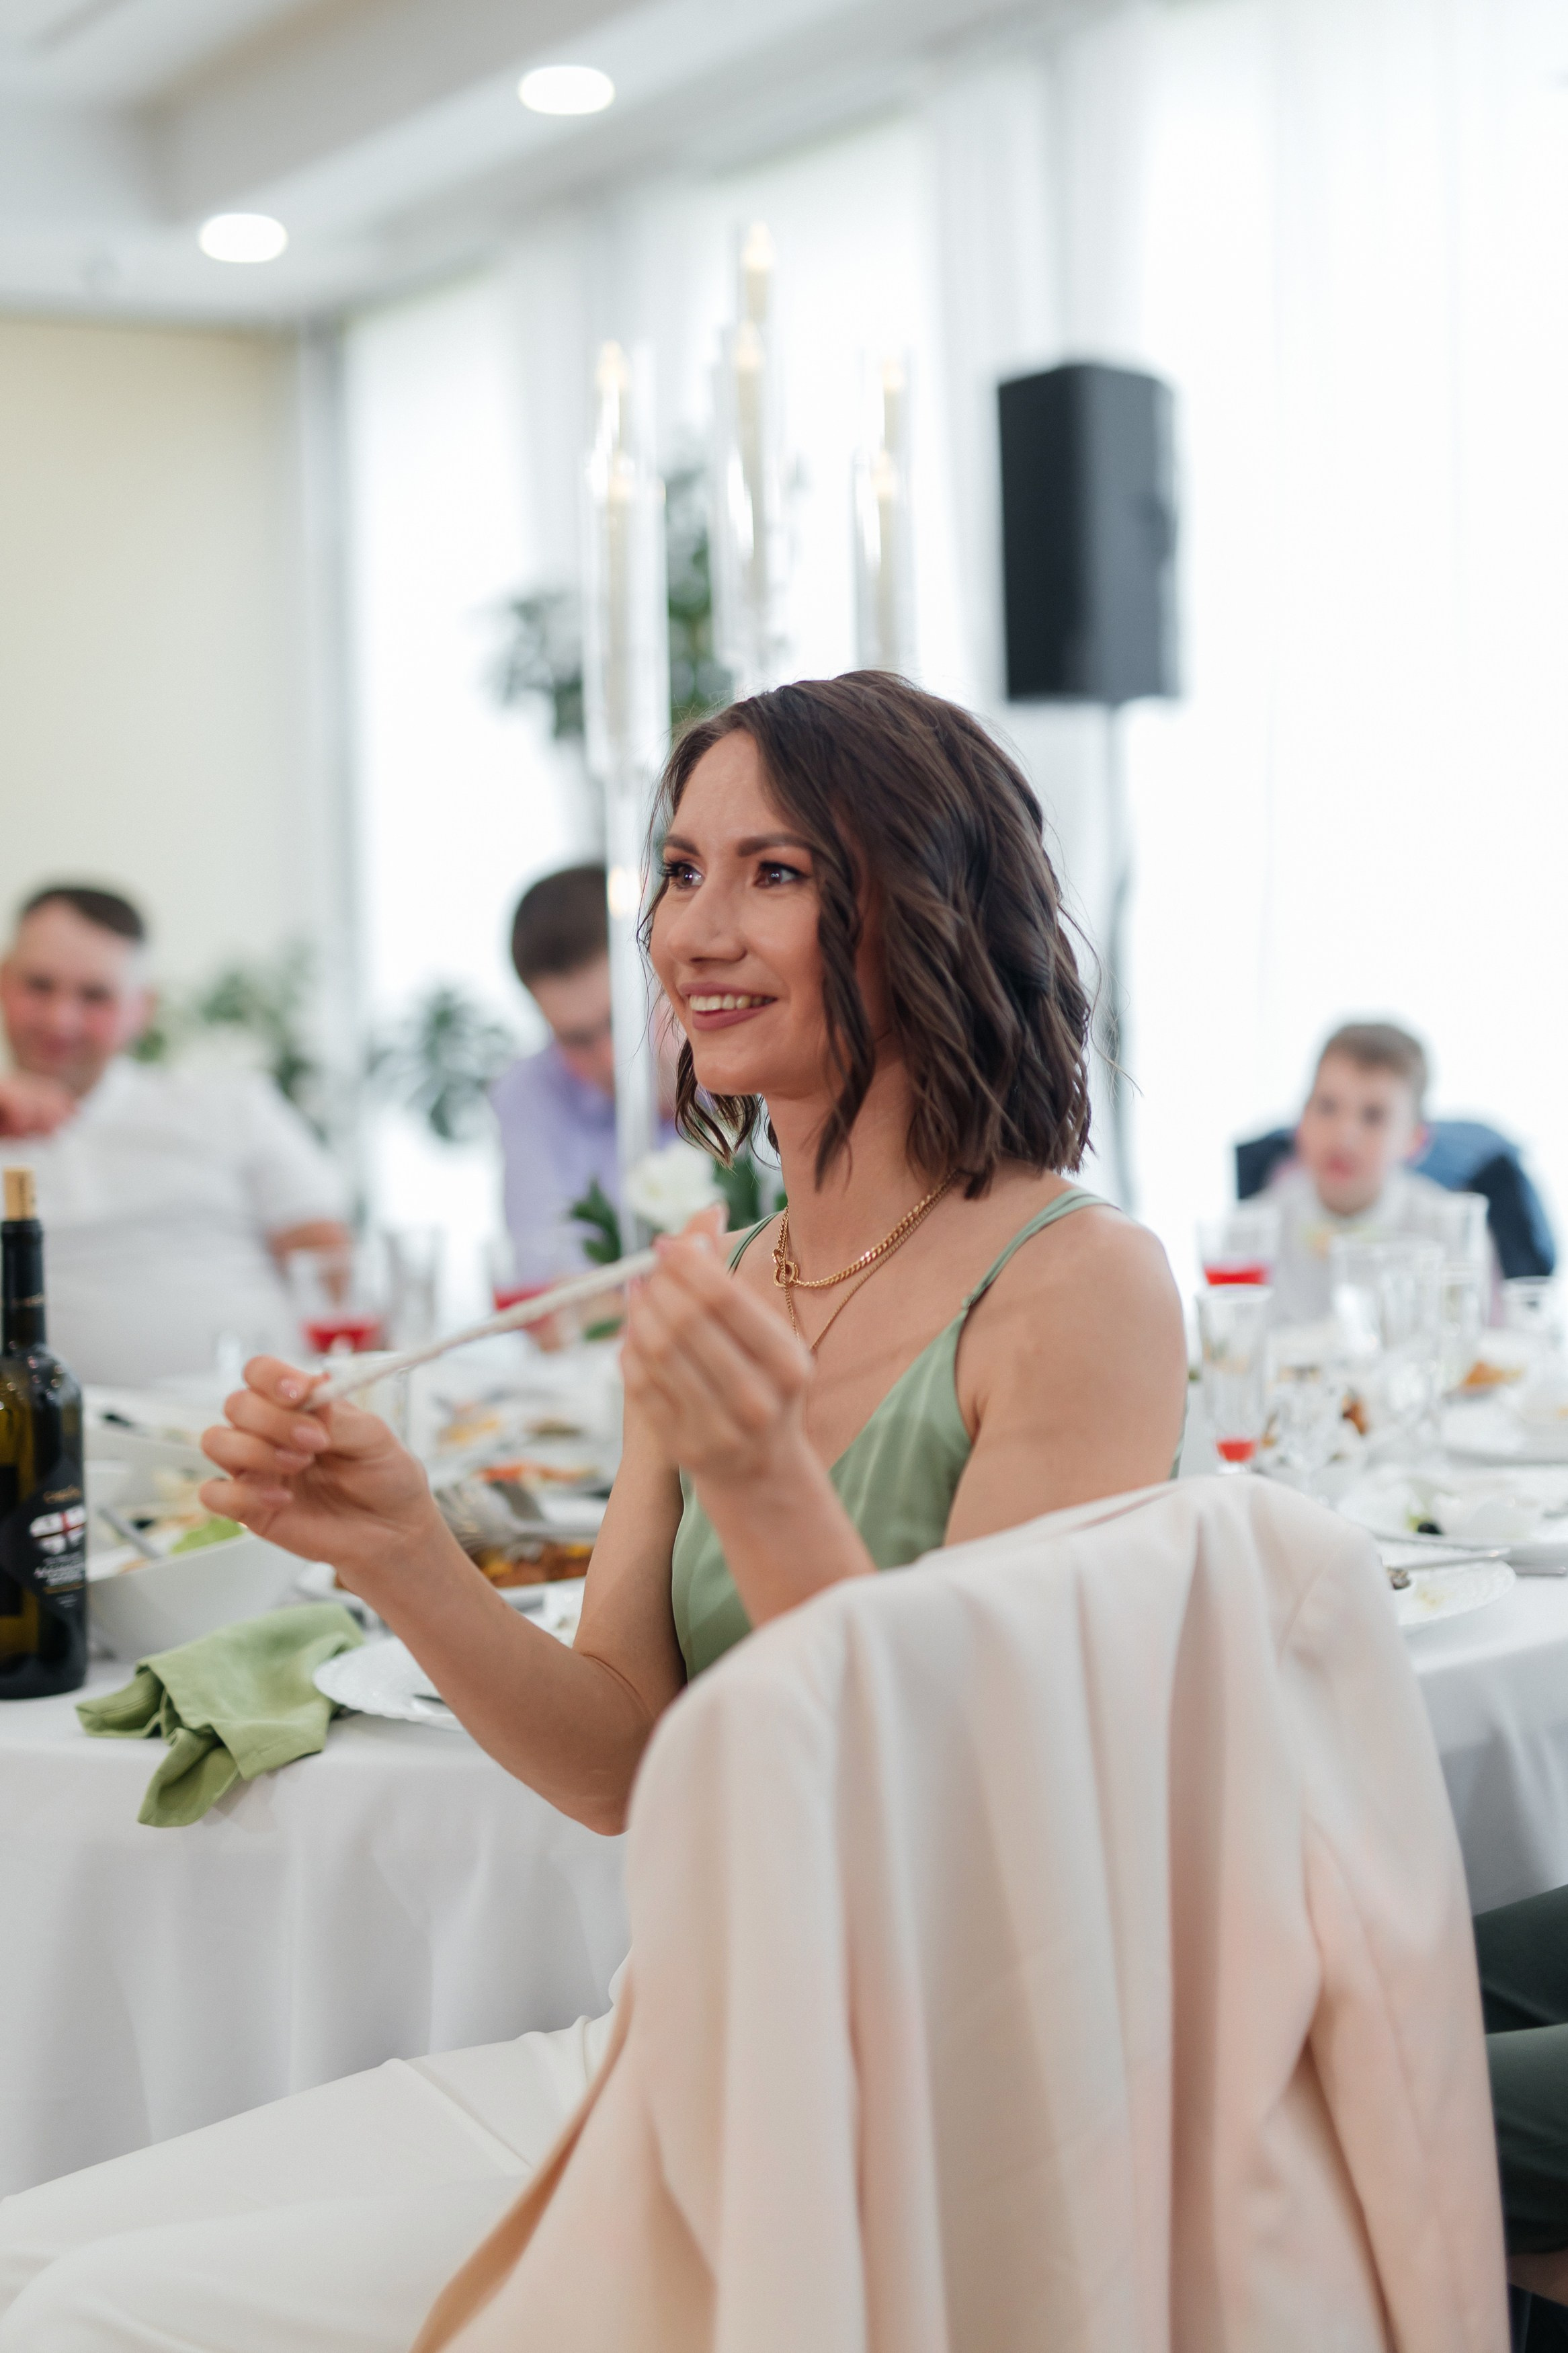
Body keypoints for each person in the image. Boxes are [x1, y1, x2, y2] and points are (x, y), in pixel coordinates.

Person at [0, 674, 1188, 2348]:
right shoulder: (719, 1277)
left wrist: (768, 1484)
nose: (695, 929)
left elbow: (952, 1811)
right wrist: (403, 1550)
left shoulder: (1081, 1285)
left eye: (776, 872)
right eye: (679, 870)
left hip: (890, 2112)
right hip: (667, 2034)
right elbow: (623, 1761)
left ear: (928, 904)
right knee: (22, 2267)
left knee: (97, 2322)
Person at [0, 885, 349, 1386]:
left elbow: (329, 1267)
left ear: (141, 1009)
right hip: (61, 1445)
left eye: (94, 995)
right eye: (39, 986)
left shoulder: (232, 1105)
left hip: (261, 1425)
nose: (61, 1019)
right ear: (3, 983)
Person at [490, 864, 676, 1284]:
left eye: (617, 1022)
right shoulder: (531, 1094)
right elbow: (549, 1297)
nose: (609, 1058)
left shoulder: (738, 1064)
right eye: (576, 1039)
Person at [1262, 1020, 1452, 1323]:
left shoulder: (1449, 1232)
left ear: (1415, 1140)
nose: (1344, 1137)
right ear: (1301, 1118)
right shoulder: (1259, 1227)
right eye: (1326, 1107)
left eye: (1373, 1117)